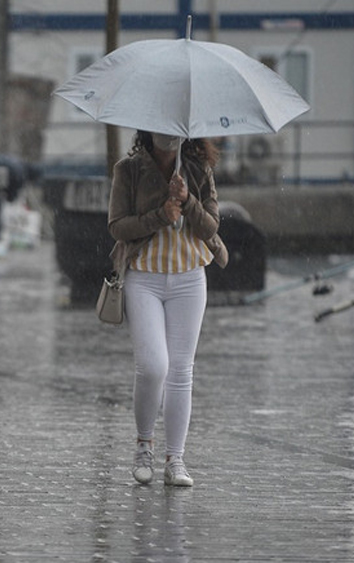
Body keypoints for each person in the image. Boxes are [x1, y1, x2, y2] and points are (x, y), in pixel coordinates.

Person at [107, 131, 229, 487]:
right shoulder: (127, 170)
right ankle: (143, 444)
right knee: (152, 366)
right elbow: (117, 226)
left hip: (190, 278)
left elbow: (211, 226)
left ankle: (175, 457)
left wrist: (188, 199)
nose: (168, 137)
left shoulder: (198, 169)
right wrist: (160, 214)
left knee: (180, 370)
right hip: (144, 276)